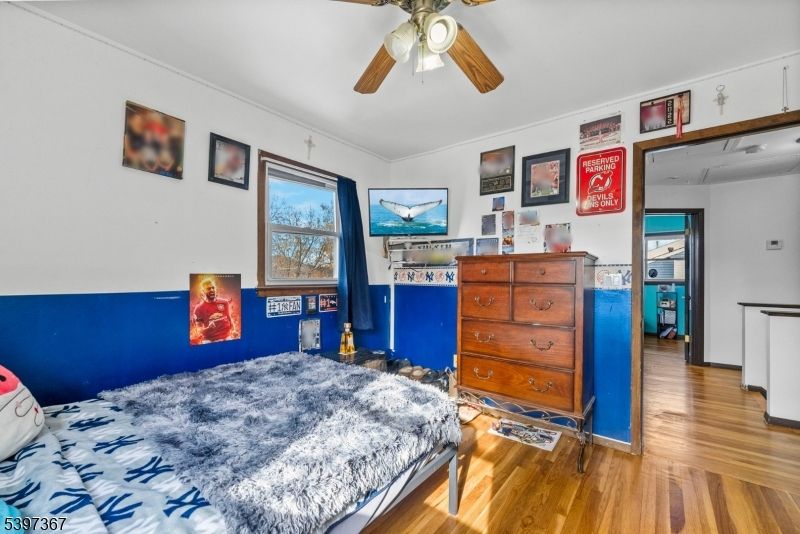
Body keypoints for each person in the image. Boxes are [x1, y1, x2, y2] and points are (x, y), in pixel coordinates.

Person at [192, 278, 235, 343]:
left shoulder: (224, 302)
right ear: (203, 291)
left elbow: (229, 318)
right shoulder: (198, 309)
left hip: (227, 337)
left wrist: (233, 330)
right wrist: (208, 328)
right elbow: (199, 330)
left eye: (213, 288)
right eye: (208, 289)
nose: (212, 290)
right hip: (210, 340)